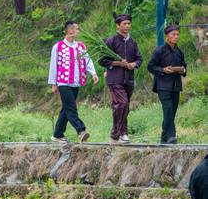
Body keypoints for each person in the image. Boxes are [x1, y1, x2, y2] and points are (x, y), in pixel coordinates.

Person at [48, 20, 98, 143]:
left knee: (66, 109)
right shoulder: (58, 47)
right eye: (76, 29)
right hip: (63, 82)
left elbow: (87, 60)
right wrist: (53, 83)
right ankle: (81, 130)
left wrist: (93, 73)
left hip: (76, 82)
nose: (78, 31)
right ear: (70, 30)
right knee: (71, 107)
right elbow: (53, 65)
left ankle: (58, 134)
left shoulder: (80, 46)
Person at [98, 13, 142, 143]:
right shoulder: (111, 41)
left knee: (123, 107)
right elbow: (102, 60)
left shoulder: (132, 42)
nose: (127, 26)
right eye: (124, 24)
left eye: (129, 23)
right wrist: (118, 63)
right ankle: (115, 134)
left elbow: (139, 59)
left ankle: (123, 133)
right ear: (118, 26)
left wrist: (133, 64)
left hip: (129, 79)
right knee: (122, 103)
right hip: (115, 79)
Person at [147, 24, 187, 144]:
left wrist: (183, 70)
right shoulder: (159, 50)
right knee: (168, 109)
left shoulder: (179, 52)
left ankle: (164, 138)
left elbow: (184, 66)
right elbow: (150, 66)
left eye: (177, 34)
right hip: (163, 86)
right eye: (173, 34)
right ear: (167, 37)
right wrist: (163, 70)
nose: (176, 37)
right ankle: (171, 137)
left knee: (172, 112)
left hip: (176, 86)